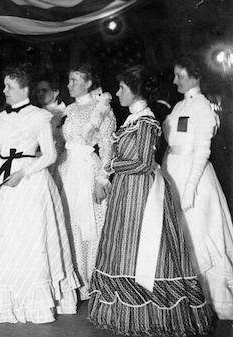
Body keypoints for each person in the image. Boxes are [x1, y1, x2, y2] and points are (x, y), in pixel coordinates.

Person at [88, 65, 215, 335]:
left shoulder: (146, 121)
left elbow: (142, 162)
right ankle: (122, 312)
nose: (118, 92)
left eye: (123, 87)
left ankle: (154, 315)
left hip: (141, 193)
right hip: (127, 191)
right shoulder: (132, 120)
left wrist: (111, 165)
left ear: (137, 91)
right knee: (123, 248)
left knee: (146, 249)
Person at [0, 63, 79, 324]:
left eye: (9, 87)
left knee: (26, 238)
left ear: (24, 89)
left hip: (28, 181)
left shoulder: (40, 116)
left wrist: (24, 173)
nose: (4, 91)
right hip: (1, 179)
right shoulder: (0, 117)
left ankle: (29, 299)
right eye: (4, 86)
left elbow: (49, 154)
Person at [161, 55, 233, 320]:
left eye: (180, 75)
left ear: (194, 76)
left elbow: (202, 151)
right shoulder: (178, 106)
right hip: (174, 173)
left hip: (195, 178)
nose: (175, 80)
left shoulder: (203, 107)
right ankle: (188, 299)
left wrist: (190, 187)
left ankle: (215, 302)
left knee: (200, 234)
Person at [57, 64, 116, 300]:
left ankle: (89, 281)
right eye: (69, 80)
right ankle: (69, 281)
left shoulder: (103, 109)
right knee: (66, 222)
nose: (69, 85)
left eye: (74, 80)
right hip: (67, 167)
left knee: (88, 225)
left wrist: (102, 179)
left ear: (88, 83)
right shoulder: (67, 109)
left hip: (88, 170)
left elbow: (107, 148)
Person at [36, 76, 67, 175]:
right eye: (38, 91)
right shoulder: (34, 114)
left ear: (56, 92)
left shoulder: (66, 114)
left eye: (44, 90)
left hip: (61, 163)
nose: (40, 94)